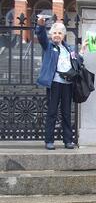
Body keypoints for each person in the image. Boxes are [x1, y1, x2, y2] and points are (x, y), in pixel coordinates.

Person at [36, 17, 87, 150]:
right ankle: (49, 141)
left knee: (66, 113)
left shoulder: (68, 48)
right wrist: (40, 25)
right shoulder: (48, 46)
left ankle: (68, 141)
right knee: (52, 112)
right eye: (54, 33)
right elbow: (40, 36)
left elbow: (77, 62)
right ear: (51, 35)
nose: (57, 35)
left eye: (59, 33)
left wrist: (82, 50)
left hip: (67, 84)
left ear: (64, 35)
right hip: (54, 84)